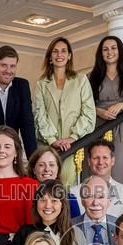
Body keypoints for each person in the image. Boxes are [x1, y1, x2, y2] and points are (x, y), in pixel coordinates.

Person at [33, 37, 96, 186]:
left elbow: (88, 113)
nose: (59, 54)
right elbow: (39, 113)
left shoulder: (81, 80)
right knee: (48, 186)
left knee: (69, 186)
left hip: (74, 145)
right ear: (50, 57)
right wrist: (52, 140)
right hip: (47, 145)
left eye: (63, 51)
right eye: (55, 51)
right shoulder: (42, 83)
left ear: (69, 56)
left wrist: (72, 137)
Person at [2, 180, 77, 245]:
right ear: (36, 203)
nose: (48, 206)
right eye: (42, 200)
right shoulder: (24, 234)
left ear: (62, 205)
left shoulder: (74, 234)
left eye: (54, 200)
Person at [88, 35, 123, 185]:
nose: (109, 52)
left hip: (121, 124)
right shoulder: (91, 77)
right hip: (98, 125)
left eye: (113, 48)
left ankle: (118, 203)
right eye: (105, 49)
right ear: (100, 53)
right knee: (98, 162)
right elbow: (86, 103)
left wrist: (122, 105)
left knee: (119, 164)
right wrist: (99, 111)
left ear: (120, 51)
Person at [0, 45, 37, 156]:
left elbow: (27, 124)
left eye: (12, 66)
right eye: (4, 65)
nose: (8, 71)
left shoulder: (22, 86)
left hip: (13, 152)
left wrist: (33, 160)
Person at [71, 174, 117, 245]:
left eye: (101, 197)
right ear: (82, 201)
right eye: (90, 196)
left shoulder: (119, 227)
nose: (95, 203)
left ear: (109, 201)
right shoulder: (68, 227)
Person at [69, 139, 123, 217]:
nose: (100, 162)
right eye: (96, 158)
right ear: (89, 161)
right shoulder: (74, 193)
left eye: (105, 157)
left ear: (113, 160)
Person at [28, 146, 81, 217]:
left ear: (58, 169)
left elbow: (76, 226)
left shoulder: (70, 199)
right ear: (34, 170)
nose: (47, 169)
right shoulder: (24, 197)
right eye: (41, 165)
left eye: (51, 165)